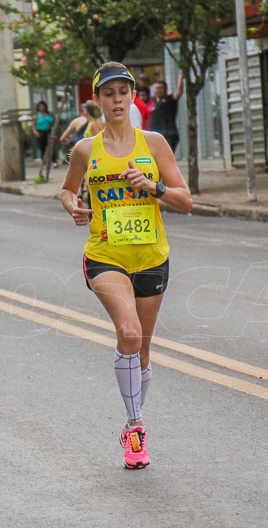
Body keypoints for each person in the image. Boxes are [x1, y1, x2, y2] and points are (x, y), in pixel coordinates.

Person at [60, 63, 191, 470]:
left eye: (123, 92)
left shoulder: (153, 143)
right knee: (129, 334)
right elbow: (66, 190)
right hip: (105, 254)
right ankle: (135, 428)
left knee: (143, 350)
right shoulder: (86, 149)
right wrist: (74, 207)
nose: (117, 100)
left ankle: (133, 414)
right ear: (98, 100)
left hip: (151, 256)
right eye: (109, 93)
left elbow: (185, 200)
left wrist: (154, 187)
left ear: (132, 97)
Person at [148, 74, 184, 153]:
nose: (159, 90)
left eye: (161, 88)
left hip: (168, 135)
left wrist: (180, 78)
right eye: (157, 88)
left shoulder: (169, 100)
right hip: (157, 135)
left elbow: (178, 92)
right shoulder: (155, 103)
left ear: (166, 89)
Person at [34, 100, 56, 172]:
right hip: (41, 132)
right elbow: (33, 125)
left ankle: (54, 161)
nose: (42, 108)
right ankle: (44, 162)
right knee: (42, 147)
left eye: (43, 106)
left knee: (51, 146)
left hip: (49, 131)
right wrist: (35, 131)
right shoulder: (36, 115)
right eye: (40, 107)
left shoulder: (50, 114)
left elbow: (54, 121)